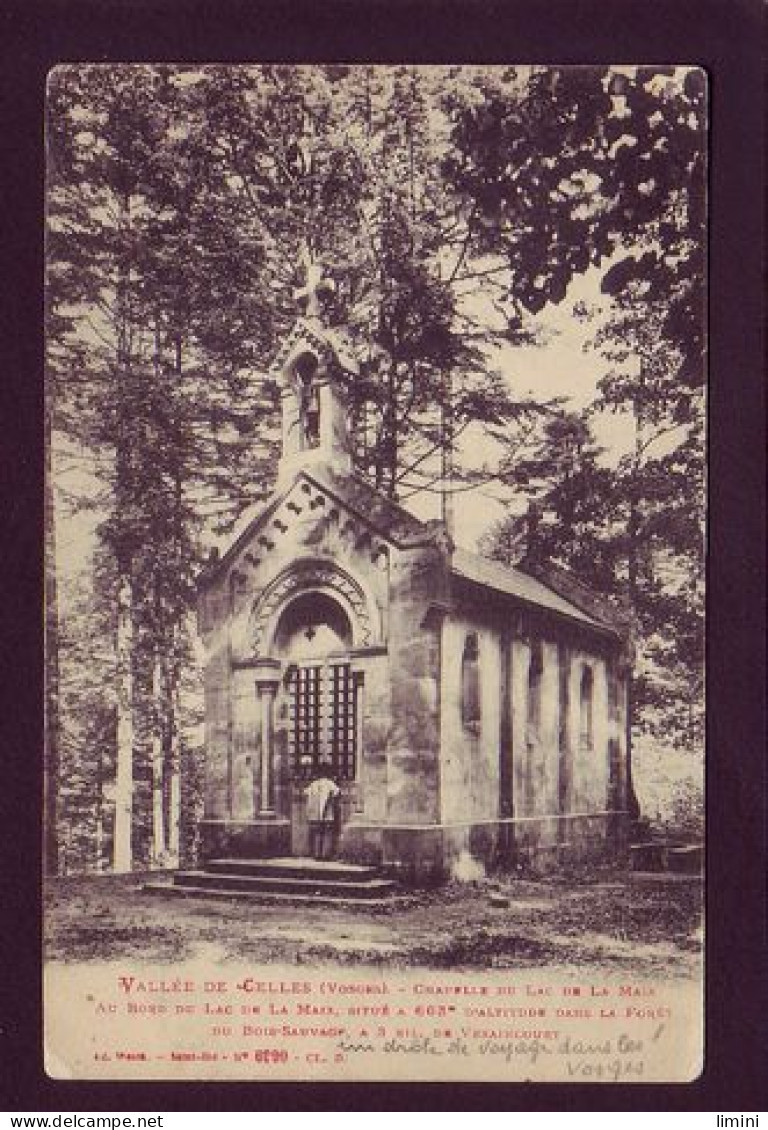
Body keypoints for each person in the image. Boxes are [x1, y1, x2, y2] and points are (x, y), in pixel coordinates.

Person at [305, 771, 341, 861]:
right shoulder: (330, 783)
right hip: (327, 813)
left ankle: (317, 854)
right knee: (327, 833)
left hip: (315, 815)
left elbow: (306, 792)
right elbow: (337, 792)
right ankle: (326, 854)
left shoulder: (313, 784)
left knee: (317, 833)